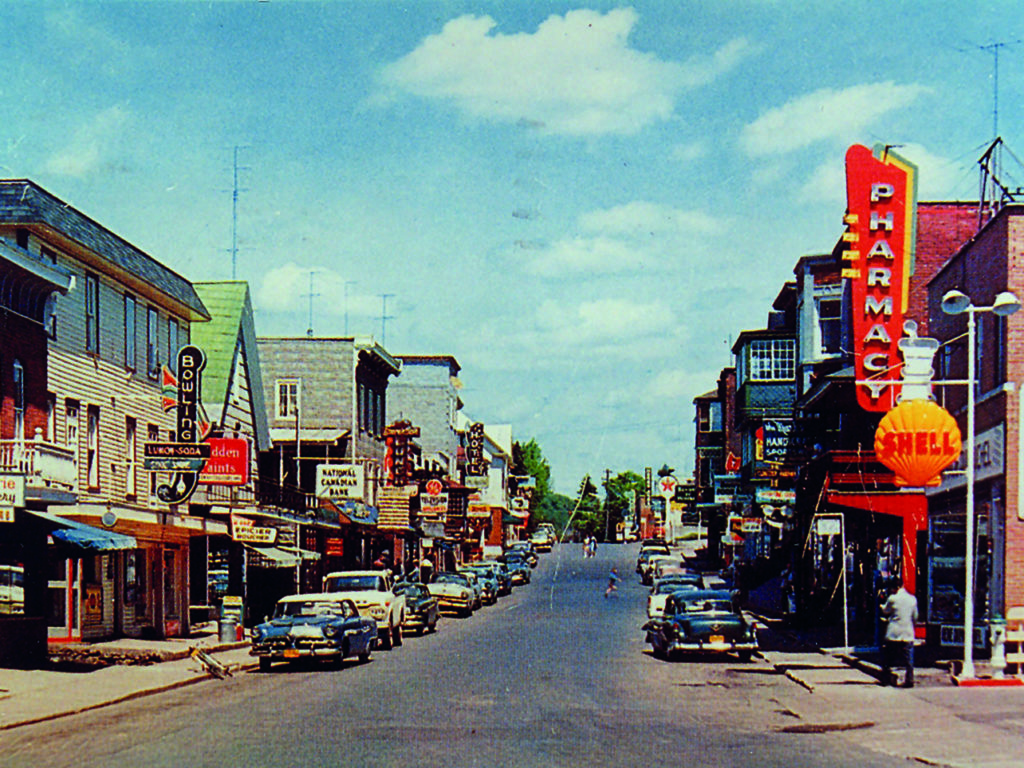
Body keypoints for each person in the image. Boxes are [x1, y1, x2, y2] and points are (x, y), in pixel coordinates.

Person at [880, 576, 918, 687]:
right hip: (908, 632)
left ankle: (886, 679)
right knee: (909, 659)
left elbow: (886, 611)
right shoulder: (912, 599)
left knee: (888, 656)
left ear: (895, 587)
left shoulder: (892, 598)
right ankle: (909, 680)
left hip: (893, 633)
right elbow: (915, 617)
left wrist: (881, 605)